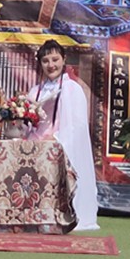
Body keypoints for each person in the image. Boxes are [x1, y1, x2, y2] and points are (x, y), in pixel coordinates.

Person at [28, 39, 99, 231]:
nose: (51, 65)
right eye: (45, 61)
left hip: (61, 146)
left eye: (55, 59)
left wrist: (57, 139)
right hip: (37, 146)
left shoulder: (73, 89)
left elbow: (78, 125)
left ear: (64, 60)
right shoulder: (35, 91)